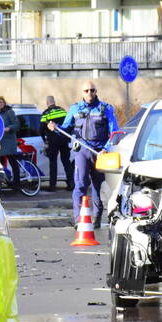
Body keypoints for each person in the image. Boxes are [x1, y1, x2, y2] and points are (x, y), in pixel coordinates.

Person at [49, 81, 119, 226]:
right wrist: (55, 128)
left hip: (100, 153)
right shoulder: (75, 109)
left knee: (98, 186)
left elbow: (114, 133)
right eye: (86, 90)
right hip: (81, 151)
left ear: (96, 91)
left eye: (92, 90)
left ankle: (97, 217)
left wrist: (106, 149)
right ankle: (78, 219)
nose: (89, 93)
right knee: (80, 184)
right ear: (82, 92)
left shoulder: (106, 108)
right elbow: (65, 129)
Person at [39, 95, 73, 191]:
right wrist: (68, 138)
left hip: (53, 141)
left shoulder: (46, 113)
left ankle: (52, 186)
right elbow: (69, 124)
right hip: (64, 139)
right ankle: (71, 184)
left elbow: (41, 129)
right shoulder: (62, 110)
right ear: (54, 102)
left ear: (47, 103)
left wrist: (44, 140)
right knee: (66, 161)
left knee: (53, 163)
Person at [0, 96, 21, 193]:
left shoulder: (9, 112)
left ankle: (17, 185)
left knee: (13, 164)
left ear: (4, 103)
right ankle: (2, 184)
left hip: (9, 142)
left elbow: (16, 125)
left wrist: (9, 128)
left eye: (1, 102)